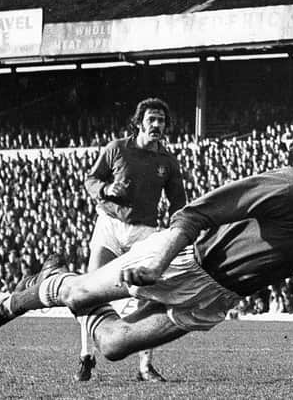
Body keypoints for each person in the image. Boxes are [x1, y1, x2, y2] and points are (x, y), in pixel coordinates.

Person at [0, 137, 293, 368]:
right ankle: (20, 296)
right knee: (79, 297)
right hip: (185, 258)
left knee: (113, 346)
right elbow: (198, 213)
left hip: (217, 298)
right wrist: (158, 261)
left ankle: (55, 279)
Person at [80, 98, 187, 381]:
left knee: (150, 293)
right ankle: (87, 355)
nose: (157, 125)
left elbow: (179, 202)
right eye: (151, 119)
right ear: (139, 122)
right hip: (111, 225)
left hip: (144, 232)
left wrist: (178, 231)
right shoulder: (116, 148)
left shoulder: (167, 161)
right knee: (90, 289)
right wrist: (106, 188)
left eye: (161, 120)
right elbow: (91, 180)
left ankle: (145, 366)